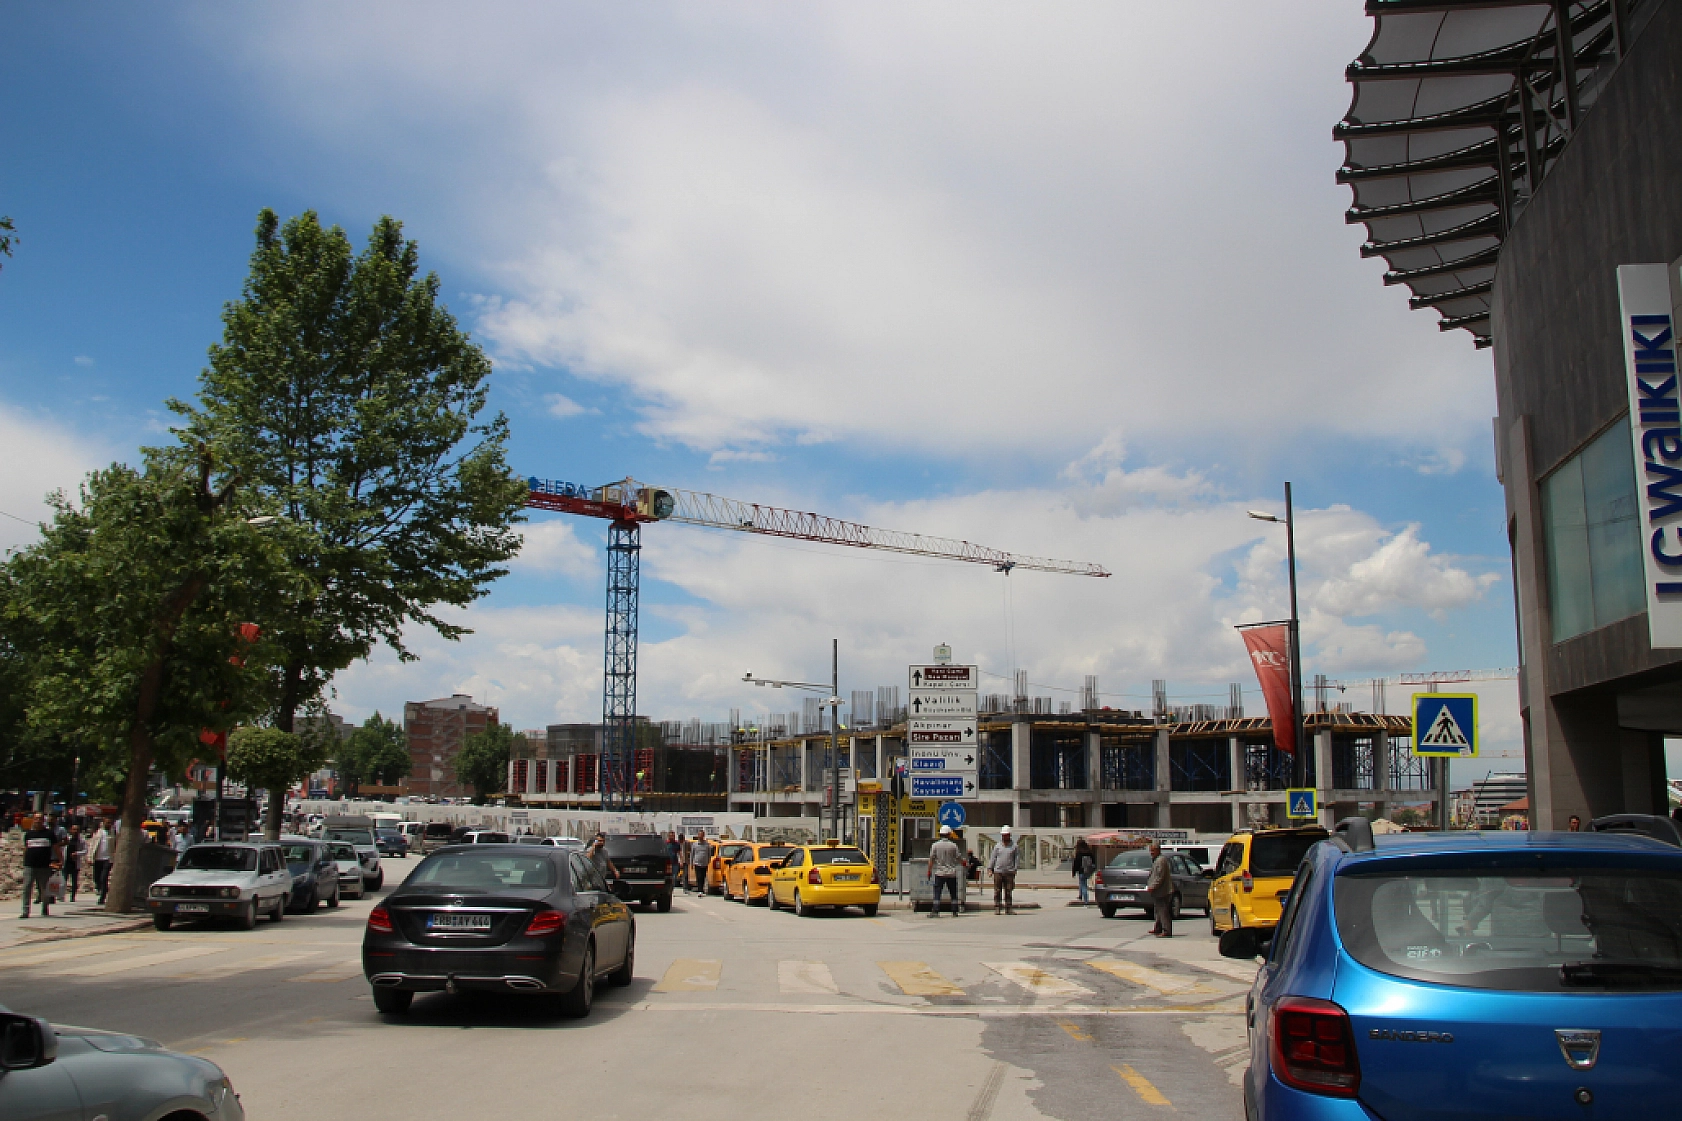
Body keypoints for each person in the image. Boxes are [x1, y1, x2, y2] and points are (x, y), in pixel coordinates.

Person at [20, 814, 58, 919]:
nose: (38, 820)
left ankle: (45, 907)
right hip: (30, 865)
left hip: (44, 866)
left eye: (40, 819)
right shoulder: (29, 834)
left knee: (44, 888)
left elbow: (56, 848)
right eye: (36, 818)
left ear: (43, 821)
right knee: (27, 887)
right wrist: (24, 860)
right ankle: (25, 910)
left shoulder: (49, 834)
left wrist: (60, 860)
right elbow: (26, 848)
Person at [927, 825, 963, 918]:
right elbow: (959, 858)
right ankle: (954, 911)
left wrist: (929, 871)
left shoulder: (935, 845)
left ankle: (936, 910)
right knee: (953, 892)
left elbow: (931, 859)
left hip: (940, 873)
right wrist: (964, 863)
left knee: (937, 892)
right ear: (948, 834)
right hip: (951, 873)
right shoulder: (953, 845)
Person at [1145, 842, 1174, 937]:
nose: (1151, 852)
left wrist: (1153, 886)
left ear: (1158, 850)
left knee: (1163, 911)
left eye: (1153, 850)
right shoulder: (1157, 860)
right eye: (1150, 850)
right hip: (1158, 891)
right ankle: (1158, 928)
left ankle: (1167, 931)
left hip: (1163, 891)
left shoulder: (1161, 861)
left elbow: (1160, 876)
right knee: (1158, 910)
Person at [989, 826, 1020, 915]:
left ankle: (1008, 908)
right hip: (998, 872)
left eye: (1006, 835)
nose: (1004, 837)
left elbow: (1017, 858)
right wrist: (990, 868)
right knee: (997, 890)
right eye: (1003, 835)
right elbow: (993, 858)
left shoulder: (1014, 846)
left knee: (1008, 890)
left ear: (1009, 835)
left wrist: (1015, 869)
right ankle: (997, 907)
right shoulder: (997, 846)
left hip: (1009, 872)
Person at [90, 818, 113, 905]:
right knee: (97, 878)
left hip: (108, 859)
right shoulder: (98, 833)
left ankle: (102, 897)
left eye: (110, 823)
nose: (108, 824)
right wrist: (90, 857)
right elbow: (92, 844)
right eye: (107, 822)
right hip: (97, 858)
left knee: (104, 878)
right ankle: (100, 889)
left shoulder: (113, 834)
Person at [62, 824, 84, 903]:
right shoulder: (67, 839)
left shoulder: (81, 841)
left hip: (75, 863)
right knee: (63, 880)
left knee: (74, 881)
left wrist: (77, 853)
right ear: (71, 830)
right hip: (66, 862)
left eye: (77, 829)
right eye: (74, 829)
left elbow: (85, 851)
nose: (75, 831)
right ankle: (61, 895)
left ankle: (73, 896)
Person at [1072, 838, 1097, 905]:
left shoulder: (1079, 853)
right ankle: (1080, 896)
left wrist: (1073, 872)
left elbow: (1075, 864)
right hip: (1088, 871)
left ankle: (1086, 900)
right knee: (1082, 883)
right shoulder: (1089, 852)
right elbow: (1094, 862)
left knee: (1083, 885)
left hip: (1081, 871)